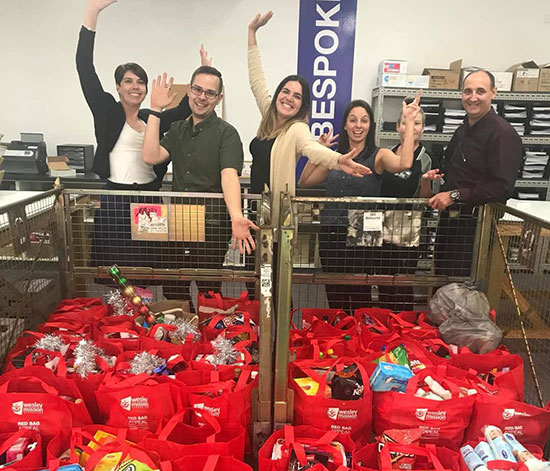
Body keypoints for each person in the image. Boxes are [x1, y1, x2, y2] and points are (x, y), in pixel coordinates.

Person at [77, 0, 202, 297]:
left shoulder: (151, 118)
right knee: (118, 272)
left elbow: (186, 107)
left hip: (148, 198)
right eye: (128, 81)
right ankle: (122, 321)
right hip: (117, 200)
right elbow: (84, 68)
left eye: (141, 82)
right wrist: (91, 15)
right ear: (118, 87)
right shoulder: (107, 110)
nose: (136, 86)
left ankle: (144, 319)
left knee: (147, 268)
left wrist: (202, 72)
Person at [247, 11, 371, 229]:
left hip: (275, 214)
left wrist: (338, 161)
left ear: (301, 106)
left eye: (297, 96)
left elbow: (312, 149)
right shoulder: (268, 114)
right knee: (252, 262)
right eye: (285, 92)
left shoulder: (297, 129)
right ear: (278, 95)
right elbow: (257, 79)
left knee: (273, 263)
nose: (289, 99)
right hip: (255, 207)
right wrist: (252, 33)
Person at [142, 67, 258, 300]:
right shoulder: (177, 129)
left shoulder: (227, 133)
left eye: (210, 93)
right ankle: (183, 334)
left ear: (218, 98)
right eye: (197, 89)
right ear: (189, 91)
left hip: (212, 224)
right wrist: (155, 110)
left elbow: (229, 176)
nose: (202, 97)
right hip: (178, 222)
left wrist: (236, 216)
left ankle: (208, 333)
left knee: (209, 289)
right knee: (174, 288)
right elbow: (151, 156)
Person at [298, 95, 422, 312]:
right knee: (334, 292)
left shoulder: (378, 156)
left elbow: (405, 163)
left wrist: (410, 123)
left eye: (364, 120)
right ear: (345, 125)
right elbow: (305, 181)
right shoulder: (336, 157)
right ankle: (340, 337)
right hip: (332, 231)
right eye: (353, 120)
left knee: (359, 294)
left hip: (363, 233)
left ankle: (359, 340)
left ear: (370, 126)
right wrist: (318, 152)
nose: (358, 125)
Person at [428, 69, 523, 276]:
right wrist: (434, 175)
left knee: (463, 292)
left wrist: (454, 195)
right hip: (451, 222)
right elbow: (450, 167)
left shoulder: (502, 134)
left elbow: (501, 187)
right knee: (442, 282)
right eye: (467, 91)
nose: (473, 98)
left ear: (493, 93)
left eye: (480, 91)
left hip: (476, 226)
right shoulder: (463, 130)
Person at [377, 100, 440, 310]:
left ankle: (403, 325)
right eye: (405, 122)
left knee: (403, 281)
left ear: (422, 128)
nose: (411, 127)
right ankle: (384, 323)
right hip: (382, 225)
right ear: (397, 127)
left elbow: (429, 198)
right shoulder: (386, 153)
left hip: (408, 228)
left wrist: (424, 181)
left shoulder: (426, 158)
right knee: (383, 278)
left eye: (417, 123)